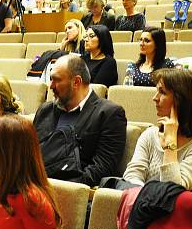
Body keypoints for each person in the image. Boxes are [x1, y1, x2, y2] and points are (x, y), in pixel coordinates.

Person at [34, 54, 127, 186]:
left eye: (57, 80)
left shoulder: (109, 114)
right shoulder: (45, 110)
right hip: (34, 188)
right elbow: (30, 154)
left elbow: (101, 168)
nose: (51, 86)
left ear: (76, 82)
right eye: (51, 79)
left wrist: (58, 188)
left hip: (73, 193)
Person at [123, 68, 192, 194]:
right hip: (146, 208)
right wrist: (143, 198)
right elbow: (132, 176)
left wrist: (170, 141)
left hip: (188, 212)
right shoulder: (149, 135)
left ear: (181, 100)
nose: (155, 98)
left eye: (163, 92)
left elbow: (173, 190)